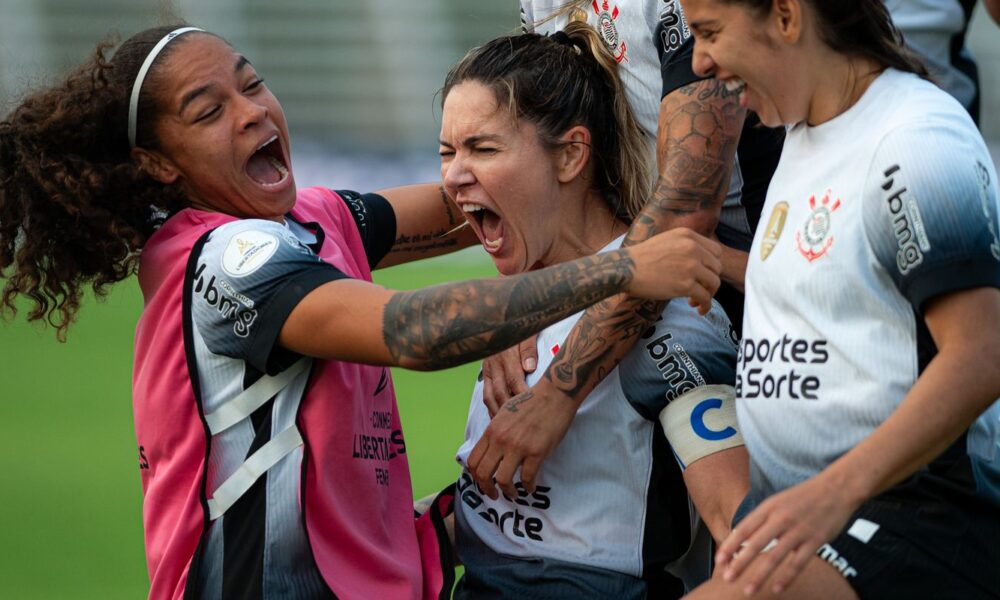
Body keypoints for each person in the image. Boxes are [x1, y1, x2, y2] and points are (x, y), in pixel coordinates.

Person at [0, 24, 726, 599]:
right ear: (159, 164)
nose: (251, 111)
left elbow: (489, 194)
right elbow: (411, 330)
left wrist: (527, 289)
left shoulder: (314, 220)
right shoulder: (229, 262)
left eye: (252, 84)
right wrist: (620, 269)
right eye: (209, 111)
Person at [672, 0, 1000, 598]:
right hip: (813, 515)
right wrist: (719, 264)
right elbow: (843, 287)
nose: (698, 61)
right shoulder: (804, 133)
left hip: (914, 517)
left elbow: (983, 353)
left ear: (787, 17)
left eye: (710, 32)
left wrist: (834, 493)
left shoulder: (915, 138)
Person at [440, 23, 748, 598]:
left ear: (570, 156)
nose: (454, 176)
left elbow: (742, 533)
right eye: (446, 152)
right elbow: (520, 518)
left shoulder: (664, 315)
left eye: (482, 148)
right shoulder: (515, 303)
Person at [466, 0, 786, 515]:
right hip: (642, 267)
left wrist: (558, 392)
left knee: (753, 529)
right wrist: (526, 297)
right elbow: (542, 146)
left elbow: (684, 209)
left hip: (755, 289)